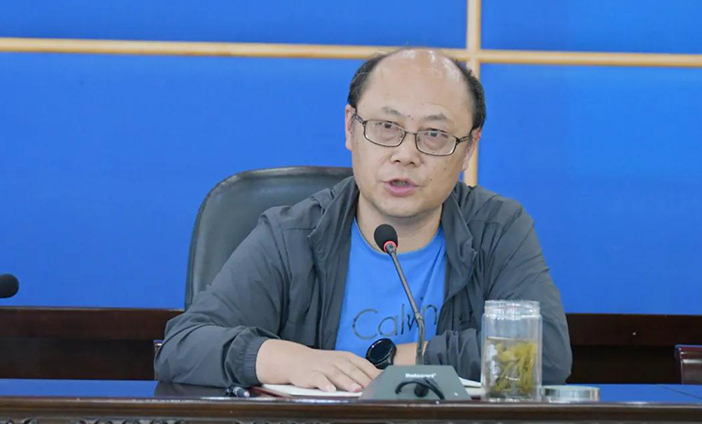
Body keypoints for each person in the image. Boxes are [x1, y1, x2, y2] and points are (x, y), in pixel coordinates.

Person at [154, 49, 572, 392]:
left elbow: (548, 353)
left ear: (468, 149)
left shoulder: (497, 229)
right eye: (386, 127)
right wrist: (291, 359)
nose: (405, 154)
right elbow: (182, 346)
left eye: (434, 135)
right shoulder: (292, 235)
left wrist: (404, 358)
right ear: (350, 128)